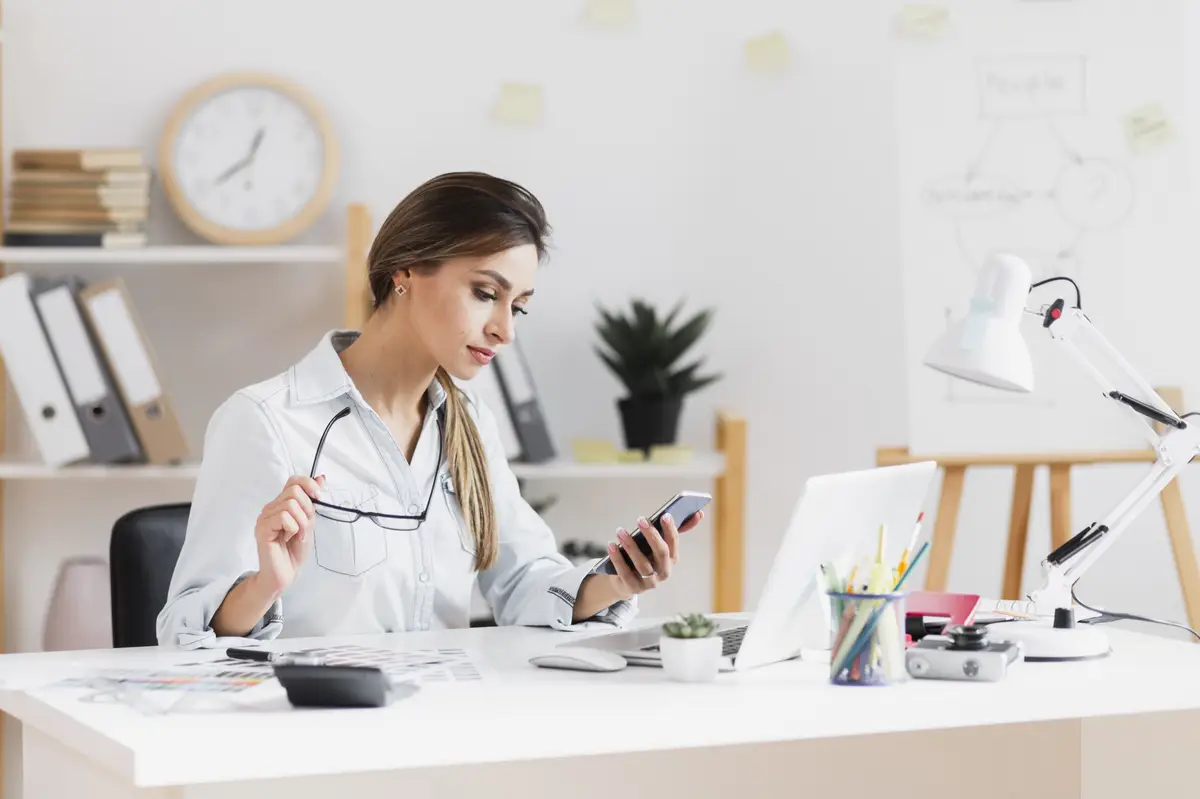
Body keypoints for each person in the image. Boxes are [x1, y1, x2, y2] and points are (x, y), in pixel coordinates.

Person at [156, 171, 704, 648]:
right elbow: (182, 634)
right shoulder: (267, 421)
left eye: (519, 308)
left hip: (442, 723)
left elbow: (523, 581)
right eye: (486, 293)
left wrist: (617, 580)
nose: (505, 329)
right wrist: (264, 587)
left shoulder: (470, 424)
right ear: (406, 271)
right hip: (316, 733)